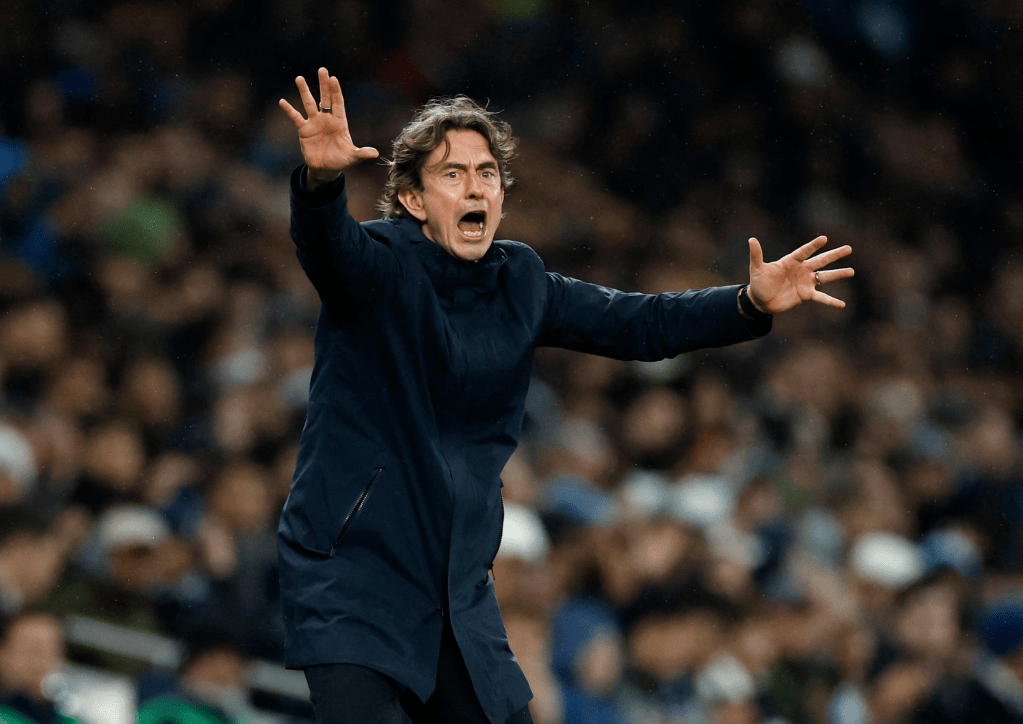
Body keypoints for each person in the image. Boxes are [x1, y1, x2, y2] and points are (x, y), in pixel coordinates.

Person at [275, 67, 854, 724]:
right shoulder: (378, 263)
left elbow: (640, 323)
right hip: (355, 575)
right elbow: (328, 249)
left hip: (455, 589)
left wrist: (746, 302)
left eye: (487, 173)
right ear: (412, 200)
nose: (475, 187)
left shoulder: (521, 280)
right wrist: (322, 185)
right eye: (452, 174)